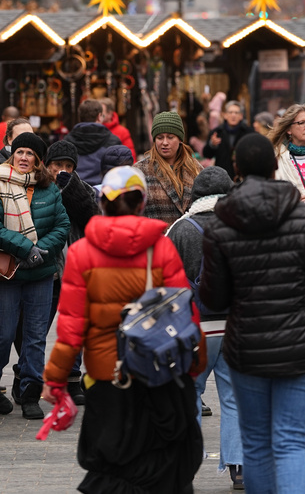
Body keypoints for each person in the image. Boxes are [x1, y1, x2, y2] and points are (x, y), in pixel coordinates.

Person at [43, 166, 206, 494]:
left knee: (113, 463)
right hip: (158, 372)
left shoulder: (81, 253)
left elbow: (71, 328)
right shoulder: (160, 248)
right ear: (141, 203)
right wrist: (195, 365)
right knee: (161, 461)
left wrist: (55, 379)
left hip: (108, 377)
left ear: (102, 202)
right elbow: (184, 313)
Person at [200, 134, 305, 494]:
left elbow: (214, 299)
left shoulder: (220, 225)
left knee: (256, 443)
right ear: (273, 168)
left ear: (236, 170)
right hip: (303, 343)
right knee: (291, 441)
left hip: (247, 346)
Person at [0, 132, 70, 420]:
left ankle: (29, 393)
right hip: (5, 273)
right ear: (13, 155)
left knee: (35, 336)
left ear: (39, 160)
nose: (24, 158)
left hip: (40, 273)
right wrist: (27, 249)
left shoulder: (49, 189)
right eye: (20, 152)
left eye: (30, 154)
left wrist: (41, 251)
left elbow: (62, 225)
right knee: (4, 332)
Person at [166, 166, 243, 489]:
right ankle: (240, 466)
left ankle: (188, 466)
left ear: (195, 195)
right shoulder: (241, 226)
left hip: (194, 327)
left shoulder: (181, 229)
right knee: (234, 398)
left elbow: (166, 284)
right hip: (234, 328)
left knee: (190, 396)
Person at [44, 140, 99, 404]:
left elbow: (92, 220)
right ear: (47, 165)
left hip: (77, 269)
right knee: (37, 327)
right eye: (58, 165)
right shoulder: (39, 190)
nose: (62, 170)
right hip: (48, 269)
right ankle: (28, 376)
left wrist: (70, 188)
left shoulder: (83, 189)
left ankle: (73, 379)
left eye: (68, 166)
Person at [135, 111, 202, 224]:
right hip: (157, 239)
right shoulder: (140, 171)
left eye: (170, 137)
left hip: (189, 238)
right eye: (160, 138)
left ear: (180, 139)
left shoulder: (195, 168)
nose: (165, 142)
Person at [64, 99, 123, 185]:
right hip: (103, 193)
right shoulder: (113, 141)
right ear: (99, 116)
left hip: (75, 192)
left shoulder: (67, 141)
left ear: (80, 117)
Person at [202, 100, 254, 178]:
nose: (233, 115)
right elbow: (206, 154)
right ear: (225, 115)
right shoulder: (217, 132)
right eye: (230, 112)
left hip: (243, 176)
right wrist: (212, 145)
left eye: (236, 113)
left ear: (241, 116)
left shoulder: (249, 132)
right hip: (221, 176)